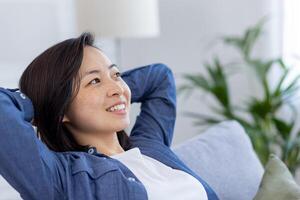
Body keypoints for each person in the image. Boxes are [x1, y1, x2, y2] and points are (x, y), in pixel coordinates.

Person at [0, 33, 219, 200]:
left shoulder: (151, 146)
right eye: (94, 81)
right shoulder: (64, 177)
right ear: (61, 109)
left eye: (116, 75)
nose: (116, 87)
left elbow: (159, 78)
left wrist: (118, 93)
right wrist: (45, 104)